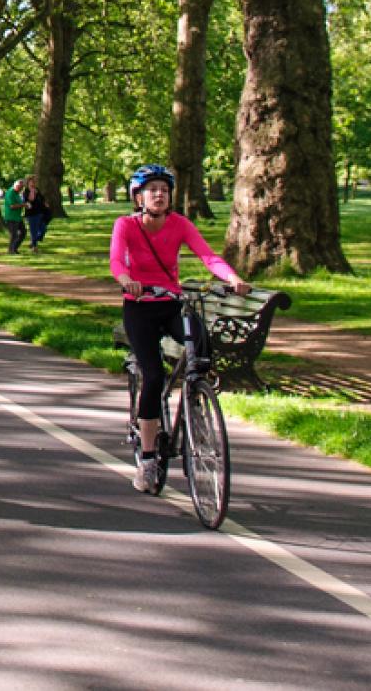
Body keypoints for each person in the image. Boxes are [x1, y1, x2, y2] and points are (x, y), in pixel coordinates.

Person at [112, 164, 250, 494]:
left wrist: (231, 278)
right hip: (140, 307)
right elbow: (117, 260)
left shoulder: (180, 224)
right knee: (154, 376)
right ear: (138, 196)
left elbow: (207, 255)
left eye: (164, 189)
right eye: (152, 189)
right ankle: (147, 459)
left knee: (200, 347)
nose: (159, 194)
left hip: (172, 303)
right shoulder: (126, 225)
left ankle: (195, 401)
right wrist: (126, 281)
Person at [22, 177, 52, 250]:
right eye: (32, 182)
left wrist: (45, 204)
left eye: (34, 181)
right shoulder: (26, 191)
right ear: (28, 183)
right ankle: (34, 246)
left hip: (40, 213)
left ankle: (34, 241)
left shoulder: (37, 190)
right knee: (34, 231)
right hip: (31, 214)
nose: (33, 183)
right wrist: (32, 191)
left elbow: (42, 199)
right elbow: (31, 199)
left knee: (43, 229)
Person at [1, 179, 26, 253]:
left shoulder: (17, 193)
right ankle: (11, 250)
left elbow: (19, 203)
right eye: (20, 187)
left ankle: (14, 248)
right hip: (11, 217)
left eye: (22, 187)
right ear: (16, 185)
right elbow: (12, 206)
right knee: (14, 234)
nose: (21, 189)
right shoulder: (10, 193)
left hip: (18, 217)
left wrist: (24, 205)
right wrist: (23, 205)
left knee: (23, 232)